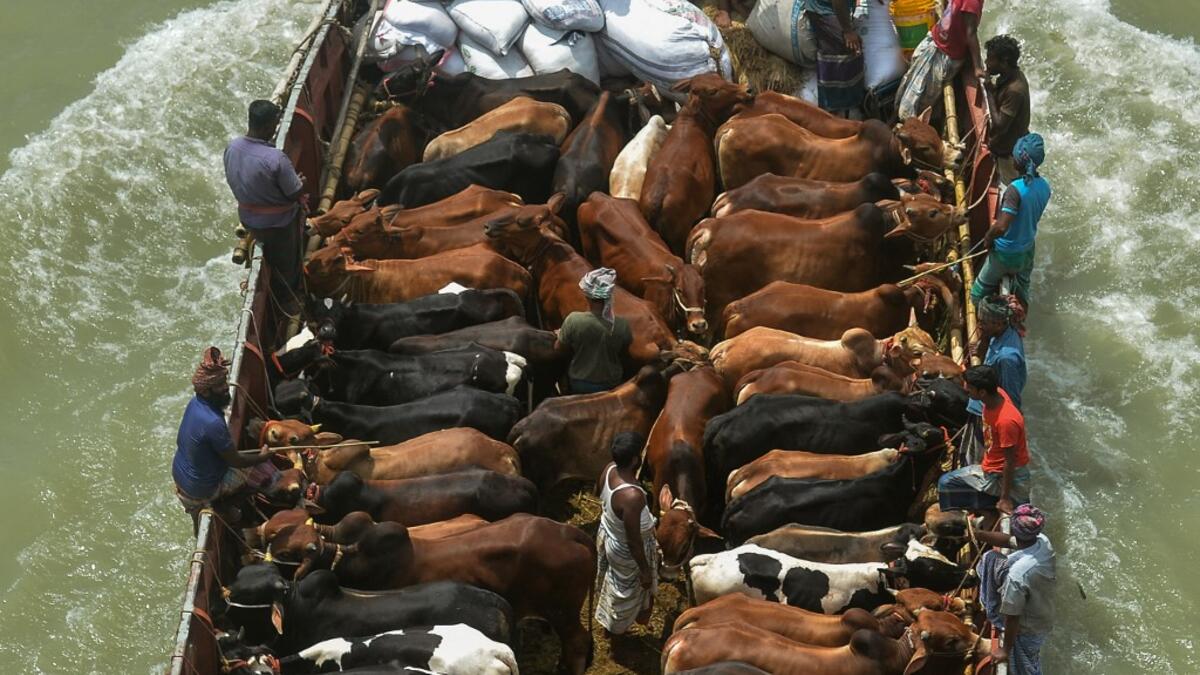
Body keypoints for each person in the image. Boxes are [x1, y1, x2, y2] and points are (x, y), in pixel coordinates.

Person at [171, 346, 276, 527]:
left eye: (225, 381)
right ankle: (229, 508)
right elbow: (236, 461)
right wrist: (263, 456)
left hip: (182, 480)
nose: (226, 387)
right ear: (205, 391)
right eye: (219, 385)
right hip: (202, 490)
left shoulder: (194, 403)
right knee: (263, 470)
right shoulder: (213, 423)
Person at [224, 99, 308, 312]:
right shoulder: (275, 159)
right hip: (276, 226)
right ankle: (289, 299)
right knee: (288, 263)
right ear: (268, 127)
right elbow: (294, 193)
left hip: (248, 219)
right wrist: (301, 183)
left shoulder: (232, 147)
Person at [973, 504, 1056, 674]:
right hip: (1042, 608)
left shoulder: (1017, 576)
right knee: (990, 557)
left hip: (1027, 626)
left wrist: (1004, 650)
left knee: (1025, 667)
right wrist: (979, 535)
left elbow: (1013, 618)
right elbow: (1007, 540)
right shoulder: (1042, 541)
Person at [971, 132, 1051, 306]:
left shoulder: (1015, 190)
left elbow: (1001, 227)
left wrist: (988, 238)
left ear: (1018, 162)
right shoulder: (1045, 186)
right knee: (1023, 290)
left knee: (976, 295)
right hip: (1027, 251)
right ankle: (1021, 309)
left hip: (1005, 255)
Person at [938, 365, 1031, 514]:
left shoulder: (1006, 421)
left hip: (1001, 474)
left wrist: (1005, 498)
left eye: (970, 389)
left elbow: (1010, 460)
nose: (966, 390)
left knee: (945, 483)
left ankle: (990, 505)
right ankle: (985, 505)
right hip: (991, 463)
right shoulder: (995, 396)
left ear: (982, 392)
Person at [594, 432, 659, 635]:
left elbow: (597, 492)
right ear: (634, 460)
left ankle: (609, 620)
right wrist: (645, 570)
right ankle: (616, 629)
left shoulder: (608, 469)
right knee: (626, 593)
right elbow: (633, 540)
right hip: (626, 550)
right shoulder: (633, 496)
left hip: (608, 534)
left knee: (613, 583)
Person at [895, 0, 985, 120]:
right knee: (909, 81)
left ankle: (915, 123)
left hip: (945, 54)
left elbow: (971, 33)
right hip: (935, 39)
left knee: (913, 104)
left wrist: (977, 67)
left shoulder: (971, 3)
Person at [556, 268, 633, 394]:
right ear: (609, 296)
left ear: (587, 295)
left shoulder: (573, 320)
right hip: (612, 385)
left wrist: (561, 335)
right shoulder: (621, 324)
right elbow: (624, 351)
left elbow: (559, 349)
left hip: (580, 384)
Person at [982, 34, 1031, 186]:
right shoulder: (1009, 76)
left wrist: (989, 90)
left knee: (1012, 190)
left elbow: (1000, 126)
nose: (986, 62)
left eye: (990, 59)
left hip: (1009, 155)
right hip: (1005, 146)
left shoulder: (1014, 90)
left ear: (1004, 62)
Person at [805, 0, 866, 115]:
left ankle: (852, 102)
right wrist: (847, 31)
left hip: (838, 6)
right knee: (849, 45)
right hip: (822, 8)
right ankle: (831, 106)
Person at [969, 294, 1027, 413]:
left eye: (984, 323)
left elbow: (1012, 399)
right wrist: (983, 344)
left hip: (986, 407)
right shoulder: (1003, 329)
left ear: (999, 324)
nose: (979, 326)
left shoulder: (1007, 359)